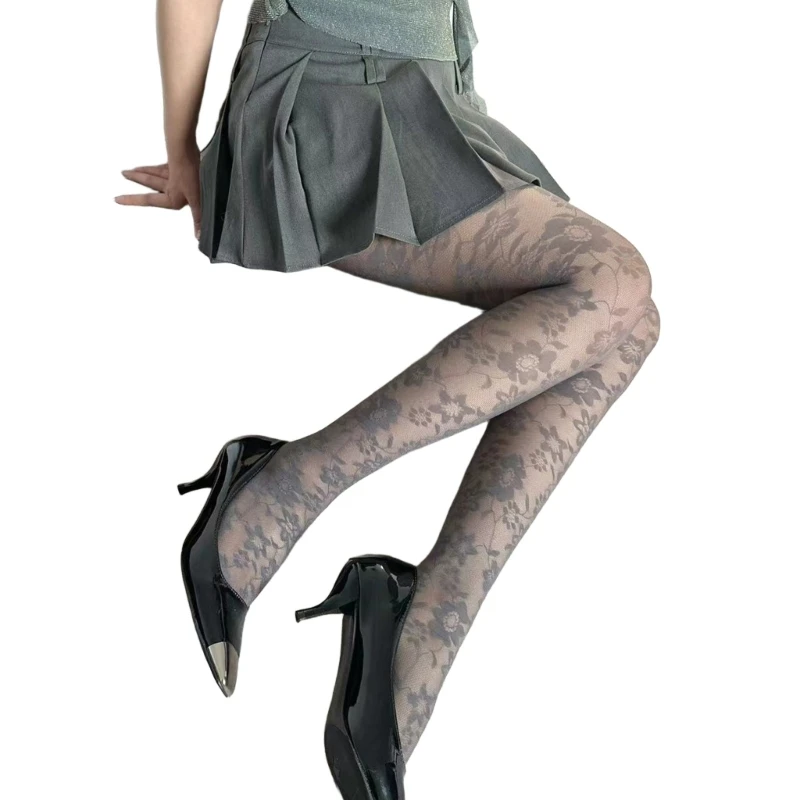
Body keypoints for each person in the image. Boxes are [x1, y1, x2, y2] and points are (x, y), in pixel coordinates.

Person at [117, 1, 660, 797]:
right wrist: (181, 148)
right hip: (326, 100)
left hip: (428, 103)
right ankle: (284, 489)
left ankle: (422, 622)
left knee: (626, 324)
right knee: (610, 284)